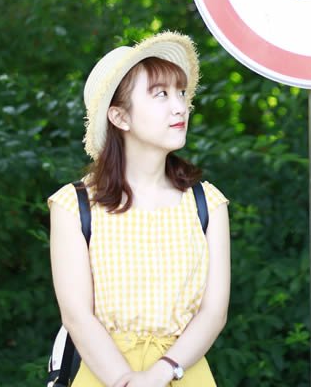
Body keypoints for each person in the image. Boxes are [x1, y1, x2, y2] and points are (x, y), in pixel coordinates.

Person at [48, 31, 231, 387]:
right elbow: (77, 316)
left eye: (181, 93)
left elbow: (213, 313)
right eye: (161, 94)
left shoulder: (207, 202)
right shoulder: (74, 205)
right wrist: (125, 381)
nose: (180, 107)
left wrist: (161, 373)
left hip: (182, 373)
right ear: (120, 117)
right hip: (104, 375)